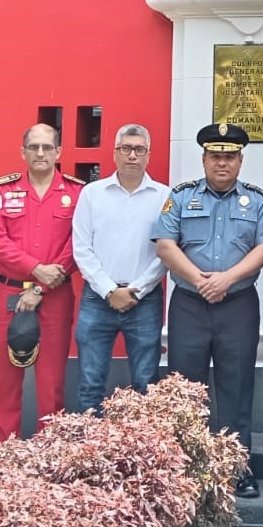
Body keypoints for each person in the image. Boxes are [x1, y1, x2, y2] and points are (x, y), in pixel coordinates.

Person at [154, 122, 263, 499]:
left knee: (236, 387)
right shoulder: (181, 196)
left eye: (230, 157)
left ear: (240, 161)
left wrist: (226, 279)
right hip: (189, 304)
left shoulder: (257, 200)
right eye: (215, 156)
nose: (222, 163)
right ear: (204, 159)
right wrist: (200, 279)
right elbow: (165, 245)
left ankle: (237, 468)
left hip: (238, 305)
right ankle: (187, 470)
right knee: (185, 389)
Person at [0, 122, 85, 440]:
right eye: (34, 147)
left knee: (51, 381)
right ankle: (7, 450)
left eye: (47, 147)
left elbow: (79, 244)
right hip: (8, 293)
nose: (41, 153)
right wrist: (35, 268)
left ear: (58, 152)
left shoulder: (77, 193)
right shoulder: (3, 191)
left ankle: (48, 452)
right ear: (23, 151)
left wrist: (41, 285)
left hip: (54, 296)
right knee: (4, 379)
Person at [71, 123, 170, 414]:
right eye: (126, 148)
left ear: (148, 155)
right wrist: (109, 290)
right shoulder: (92, 194)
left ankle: (144, 444)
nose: (132, 156)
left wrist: (137, 289)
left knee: (146, 384)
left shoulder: (164, 197)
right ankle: (88, 440)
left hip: (144, 300)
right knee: (90, 383)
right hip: (97, 298)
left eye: (139, 150)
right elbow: (81, 248)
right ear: (115, 153)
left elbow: (166, 251)